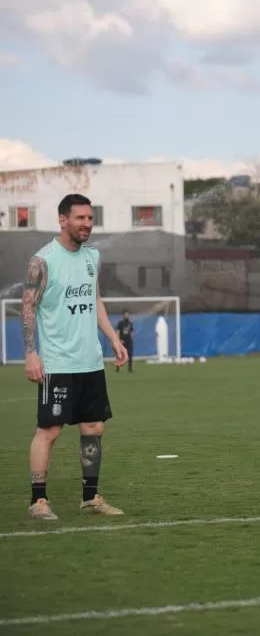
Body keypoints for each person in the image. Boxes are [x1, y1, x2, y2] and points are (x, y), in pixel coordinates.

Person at [23, 193, 129, 520]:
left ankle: (90, 497)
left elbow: (95, 300)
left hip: (90, 360)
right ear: (62, 219)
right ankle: (38, 501)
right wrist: (31, 353)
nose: (86, 224)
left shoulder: (92, 257)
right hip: (57, 361)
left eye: (90, 218)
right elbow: (28, 307)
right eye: (80, 218)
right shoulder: (42, 261)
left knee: (94, 427)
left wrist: (113, 338)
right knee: (50, 430)